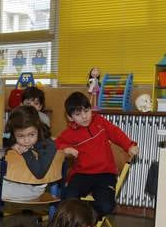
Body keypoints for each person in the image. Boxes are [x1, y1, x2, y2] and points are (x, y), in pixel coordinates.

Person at [55, 91, 138, 219]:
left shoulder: (100, 121)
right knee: (68, 199)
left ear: (91, 109)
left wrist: (129, 145)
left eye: (86, 111)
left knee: (107, 206)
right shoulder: (68, 133)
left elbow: (116, 133)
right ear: (70, 117)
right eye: (78, 114)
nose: (84, 116)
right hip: (81, 174)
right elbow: (57, 145)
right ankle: (72, 225)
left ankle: (84, 221)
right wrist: (65, 149)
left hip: (105, 174)